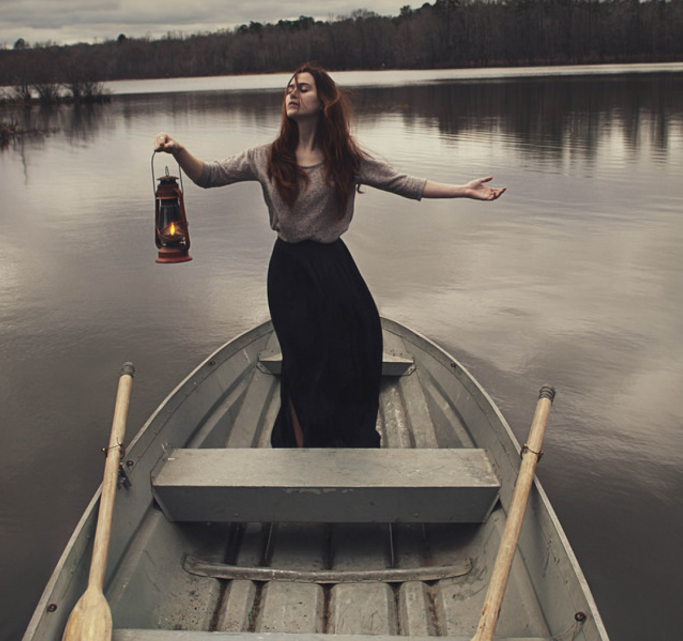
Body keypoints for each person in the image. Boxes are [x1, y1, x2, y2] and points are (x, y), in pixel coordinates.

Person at [153, 63, 505, 449]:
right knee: (304, 364)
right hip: (289, 272)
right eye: (289, 88)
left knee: (363, 342)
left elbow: (403, 183)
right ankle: (301, 447)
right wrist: (180, 150)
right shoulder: (265, 156)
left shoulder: (345, 158)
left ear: (323, 101)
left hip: (334, 267)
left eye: (302, 88)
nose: (292, 94)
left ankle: (345, 436)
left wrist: (463, 190)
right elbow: (209, 175)